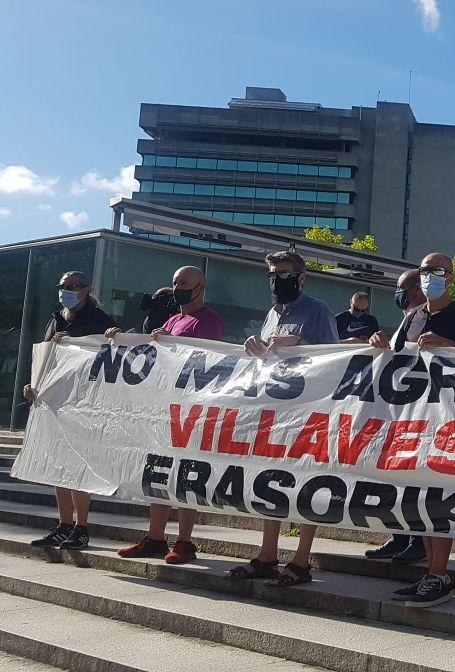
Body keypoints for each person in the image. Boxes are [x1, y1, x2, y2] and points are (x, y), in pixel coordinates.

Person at [370, 252, 455, 607]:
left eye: (437, 271)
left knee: (441, 498)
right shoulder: (412, 318)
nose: (429, 277)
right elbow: (397, 358)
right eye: (424, 271)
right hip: (413, 420)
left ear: (450, 278)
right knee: (421, 499)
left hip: (450, 421)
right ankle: (429, 572)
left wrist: (451, 347)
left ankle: (439, 574)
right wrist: (381, 348)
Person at [225, 251, 338, 587]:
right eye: (272, 274)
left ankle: (302, 560)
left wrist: (301, 343)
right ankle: (268, 554)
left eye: (284, 274)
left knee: (308, 481)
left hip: (309, 411)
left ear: (301, 278)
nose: (277, 280)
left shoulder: (317, 310)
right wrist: (256, 349)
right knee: (270, 478)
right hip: (277, 410)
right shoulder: (273, 313)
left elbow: (334, 358)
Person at [112, 266, 224, 563]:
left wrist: (171, 344)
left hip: (191, 411)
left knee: (187, 476)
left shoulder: (208, 319)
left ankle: (185, 542)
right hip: (165, 409)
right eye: (175, 282)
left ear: (200, 286)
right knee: (158, 474)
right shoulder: (174, 319)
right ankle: (156, 537)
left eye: (184, 282)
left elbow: (207, 358)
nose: (178, 287)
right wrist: (121, 339)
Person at [26, 271, 116, 551]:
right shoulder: (56, 318)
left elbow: (113, 356)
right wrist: (34, 383)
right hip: (55, 401)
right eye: (61, 286)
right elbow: (45, 357)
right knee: (58, 467)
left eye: (71, 287)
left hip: (83, 402)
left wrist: (113, 337)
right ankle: (63, 524)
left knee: (78, 466)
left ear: (86, 289)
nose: (65, 291)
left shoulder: (100, 320)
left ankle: (81, 527)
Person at [363, 269, 430, 563]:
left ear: (416, 289)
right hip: (401, 410)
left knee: (416, 478)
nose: (397, 293)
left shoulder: (426, 316)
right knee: (398, 477)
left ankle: (417, 541)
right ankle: (400, 535)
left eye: (401, 288)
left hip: (422, 410)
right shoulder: (410, 318)